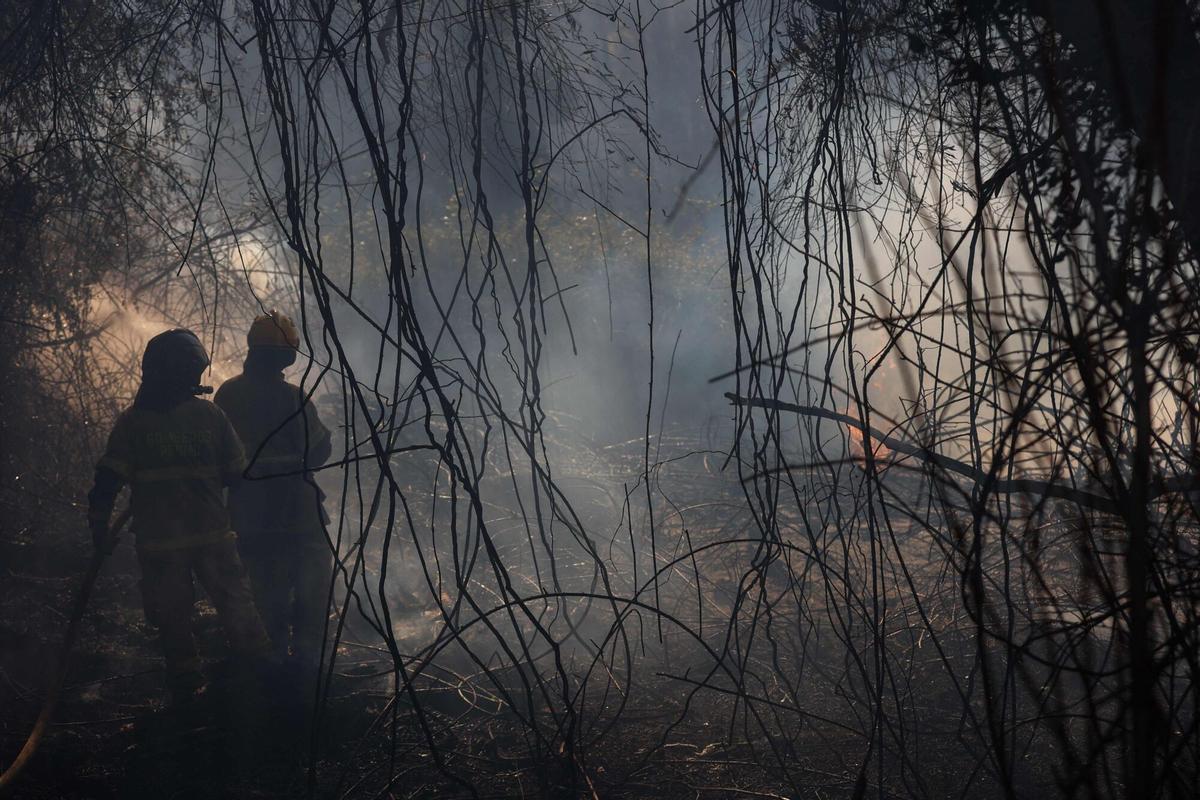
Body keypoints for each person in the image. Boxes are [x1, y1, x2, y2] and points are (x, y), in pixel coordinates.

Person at [87, 328, 270, 705]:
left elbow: (107, 482)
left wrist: (99, 529)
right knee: (236, 602)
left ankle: (187, 685)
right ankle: (258, 671)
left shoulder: (132, 423)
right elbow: (239, 476)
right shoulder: (211, 416)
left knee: (172, 615)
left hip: (160, 544)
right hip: (213, 536)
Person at [214, 311, 333, 685]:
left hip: (249, 510)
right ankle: (307, 657)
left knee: (265, 582)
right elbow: (321, 447)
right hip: (298, 508)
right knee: (312, 579)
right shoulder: (294, 398)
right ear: (287, 356)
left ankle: (272, 655)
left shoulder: (228, 394)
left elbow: (217, 455)